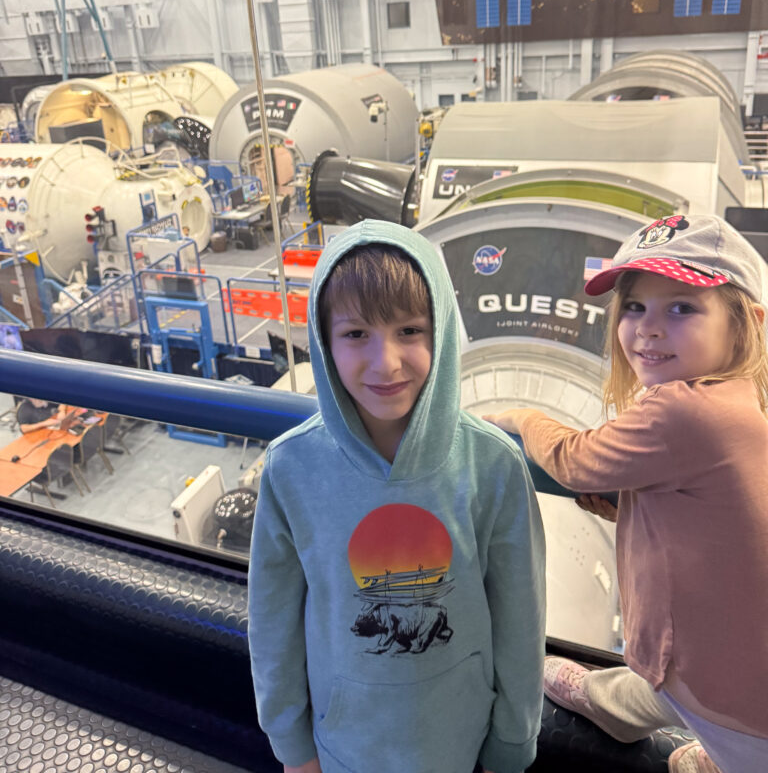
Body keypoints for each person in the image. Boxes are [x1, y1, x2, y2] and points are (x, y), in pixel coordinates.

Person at [248, 219, 546, 773]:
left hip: (463, 744)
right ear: (322, 340)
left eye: (410, 330)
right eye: (356, 334)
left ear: (442, 331)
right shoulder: (290, 467)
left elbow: (520, 619)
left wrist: (513, 740)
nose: (386, 363)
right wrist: (291, 744)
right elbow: (272, 621)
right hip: (342, 747)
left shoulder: (494, 465)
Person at [487, 214, 768, 773]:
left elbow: (573, 460)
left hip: (733, 694)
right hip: (742, 661)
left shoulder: (682, 409)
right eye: (634, 307)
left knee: (709, 713)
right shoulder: (739, 399)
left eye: (682, 307)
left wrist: (523, 417)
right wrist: (635, 508)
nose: (648, 328)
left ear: (746, 322)